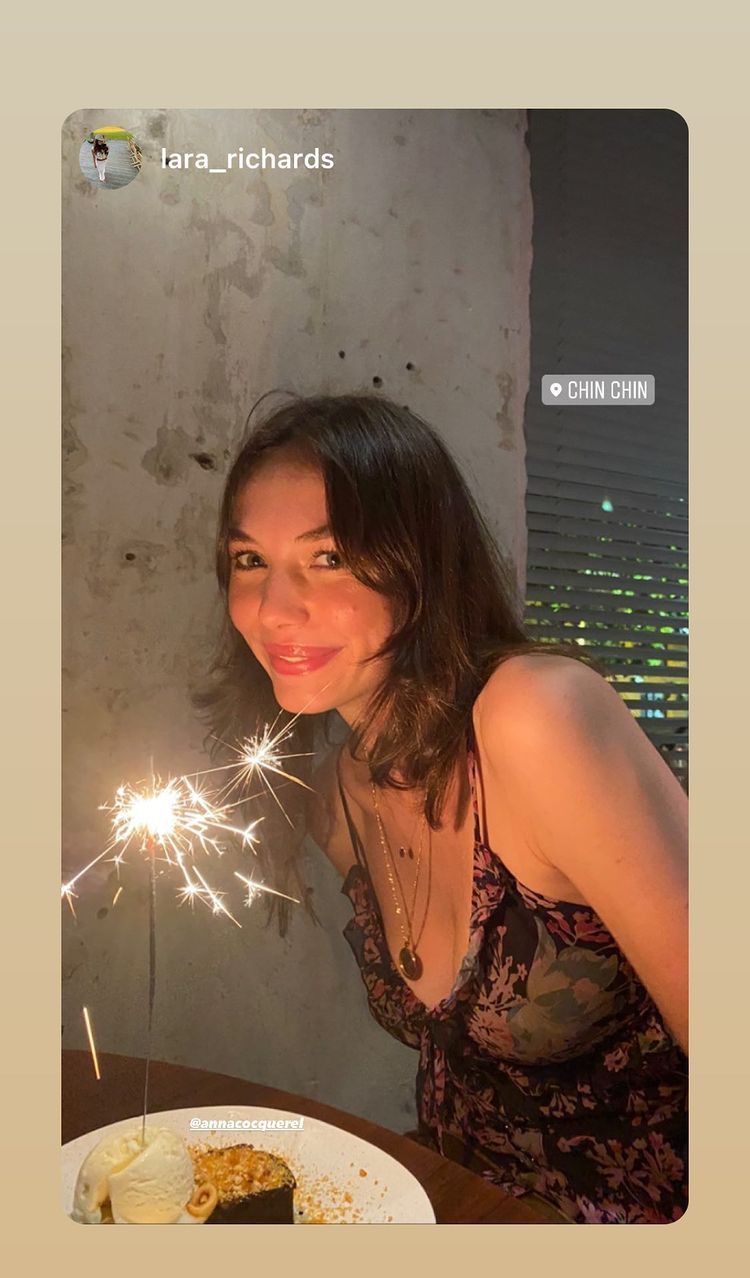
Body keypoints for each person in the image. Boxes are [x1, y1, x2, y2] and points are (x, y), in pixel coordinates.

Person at [198, 392, 687, 1224]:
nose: (273, 609)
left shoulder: (534, 716)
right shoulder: (334, 798)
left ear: (421, 563)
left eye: (329, 556)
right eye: (250, 560)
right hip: (453, 1204)